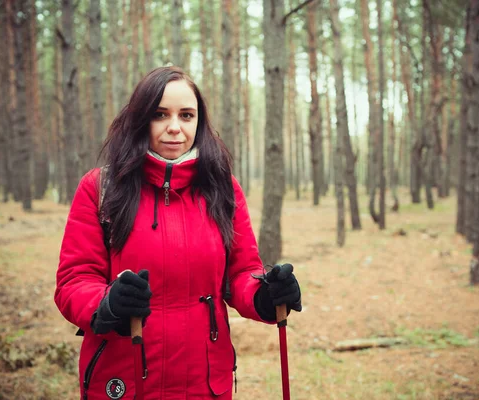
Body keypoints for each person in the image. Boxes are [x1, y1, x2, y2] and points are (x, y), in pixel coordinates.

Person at [54, 66, 302, 400]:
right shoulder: (101, 188)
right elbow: (74, 279)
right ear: (141, 119)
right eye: (160, 114)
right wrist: (105, 304)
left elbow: (242, 272)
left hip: (203, 383)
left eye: (186, 115)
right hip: (124, 381)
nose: (175, 127)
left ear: (198, 122)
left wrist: (264, 295)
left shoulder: (222, 188)